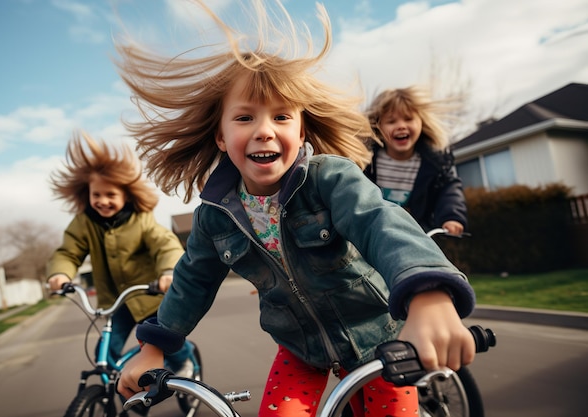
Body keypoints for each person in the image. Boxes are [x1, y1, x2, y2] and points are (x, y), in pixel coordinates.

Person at [115, 2, 476, 417]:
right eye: (245, 117)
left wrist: (426, 292)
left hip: (378, 335)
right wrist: (154, 346)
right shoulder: (215, 215)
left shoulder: (329, 179)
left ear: (300, 129)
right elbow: (191, 281)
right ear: (220, 136)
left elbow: (380, 221)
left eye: (281, 117)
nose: (264, 130)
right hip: (300, 348)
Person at [45, 131, 193, 379]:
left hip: (149, 296)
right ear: (87, 194)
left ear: (126, 195)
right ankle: (115, 388)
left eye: (110, 195)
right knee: (105, 350)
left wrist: (169, 272)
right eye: (96, 195)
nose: (103, 201)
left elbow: (165, 244)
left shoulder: (141, 220)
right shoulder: (83, 223)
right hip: (117, 302)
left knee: (164, 338)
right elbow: (68, 252)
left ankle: (185, 362)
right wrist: (60, 273)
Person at [364, 86, 467, 235]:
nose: (401, 126)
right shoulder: (366, 162)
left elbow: (448, 190)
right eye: (391, 121)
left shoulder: (434, 164)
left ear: (421, 122)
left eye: (408, 119)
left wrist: (451, 217)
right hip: (373, 235)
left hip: (416, 236)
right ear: (378, 126)